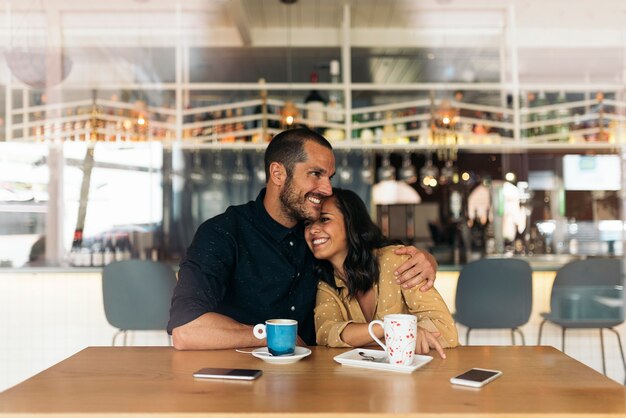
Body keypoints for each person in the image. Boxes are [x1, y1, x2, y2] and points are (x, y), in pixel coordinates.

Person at [168, 128, 439, 350]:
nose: (327, 188)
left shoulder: (318, 236)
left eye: (329, 177)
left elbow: (371, 250)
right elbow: (186, 330)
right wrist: (271, 336)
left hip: (318, 379)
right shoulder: (223, 232)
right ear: (278, 174)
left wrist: (426, 259)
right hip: (240, 380)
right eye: (315, 174)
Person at [308, 188, 458, 358]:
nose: (313, 230)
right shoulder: (327, 284)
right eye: (308, 223)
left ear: (352, 223)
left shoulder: (395, 260)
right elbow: (326, 334)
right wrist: (389, 328)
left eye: (325, 219)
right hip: (366, 379)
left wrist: (361, 337)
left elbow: (446, 331)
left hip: (425, 373)